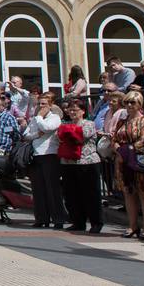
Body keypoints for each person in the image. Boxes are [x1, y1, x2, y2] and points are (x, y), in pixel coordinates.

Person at [113, 91, 144, 241]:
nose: (130, 105)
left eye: (133, 102)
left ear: (140, 104)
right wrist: (118, 149)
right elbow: (115, 137)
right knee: (128, 191)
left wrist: (126, 150)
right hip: (122, 160)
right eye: (127, 102)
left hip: (139, 158)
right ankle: (132, 225)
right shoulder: (122, 121)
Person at [57, 99, 102, 234]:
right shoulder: (65, 124)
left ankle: (96, 222)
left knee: (91, 194)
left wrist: (68, 132)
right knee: (71, 194)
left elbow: (81, 136)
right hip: (68, 163)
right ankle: (77, 221)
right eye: (70, 110)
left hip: (87, 162)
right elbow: (58, 137)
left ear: (82, 111)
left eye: (75, 110)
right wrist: (67, 131)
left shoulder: (89, 124)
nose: (72, 112)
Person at [23, 93, 66, 228]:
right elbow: (26, 135)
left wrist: (40, 118)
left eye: (44, 104)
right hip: (36, 156)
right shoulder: (36, 118)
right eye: (39, 104)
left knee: (52, 189)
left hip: (50, 155)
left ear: (50, 105)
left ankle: (58, 219)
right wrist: (36, 134)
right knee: (38, 189)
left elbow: (47, 128)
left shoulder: (54, 118)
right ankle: (42, 218)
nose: (40, 107)